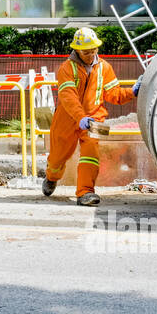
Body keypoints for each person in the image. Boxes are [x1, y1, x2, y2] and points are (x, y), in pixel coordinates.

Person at [41, 26, 139, 206]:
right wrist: (80, 117)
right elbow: (68, 96)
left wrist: (132, 92)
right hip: (67, 119)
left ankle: (86, 192)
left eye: (94, 50)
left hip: (94, 118)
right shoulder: (66, 68)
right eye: (86, 52)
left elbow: (114, 94)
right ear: (77, 50)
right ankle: (51, 177)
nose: (91, 54)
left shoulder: (104, 67)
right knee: (57, 157)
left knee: (91, 154)